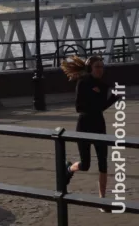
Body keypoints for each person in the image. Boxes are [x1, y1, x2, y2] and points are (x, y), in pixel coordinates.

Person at [63, 55, 121, 210]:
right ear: (90, 68)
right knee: (86, 164)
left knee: (103, 162)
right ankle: (69, 168)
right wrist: (94, 96)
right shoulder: (83, 83)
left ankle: (102, 200)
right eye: (97, 67)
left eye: (102, 67)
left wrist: (113, 99)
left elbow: (101, 107)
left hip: (99, 125)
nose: (100, 70)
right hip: (84, 125)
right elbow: (79, 107)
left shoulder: (103, 85)